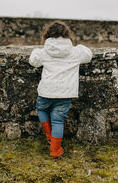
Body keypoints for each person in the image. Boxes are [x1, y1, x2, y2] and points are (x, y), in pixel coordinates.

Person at [29, 21, 92, 158]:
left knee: (41, 109)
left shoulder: (44, 52)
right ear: (67, 35)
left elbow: (33, 61)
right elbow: (88, 55)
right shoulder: (75, 52)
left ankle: (49, 135)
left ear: (47, 35)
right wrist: (80, 46)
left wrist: (36, 50)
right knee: (58, 121)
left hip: (46, 91)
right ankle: (55, 151)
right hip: (65, 93)